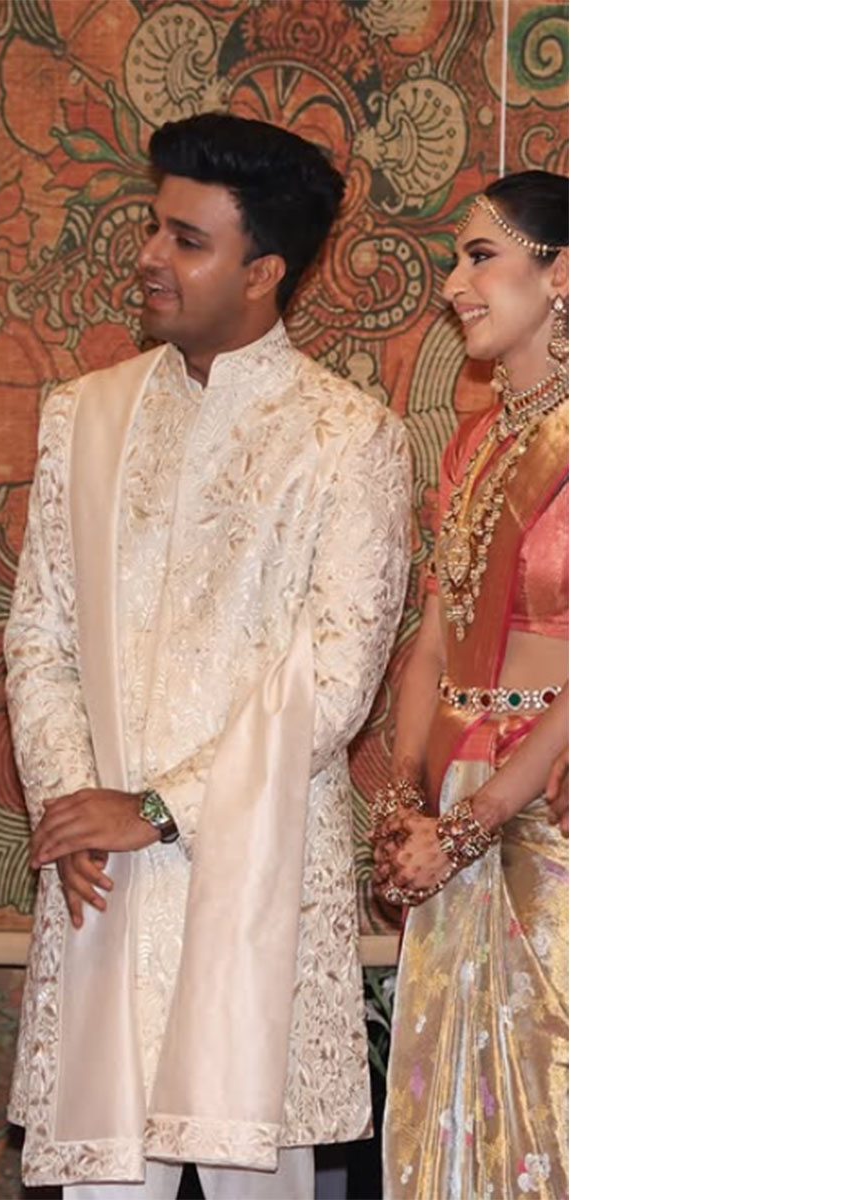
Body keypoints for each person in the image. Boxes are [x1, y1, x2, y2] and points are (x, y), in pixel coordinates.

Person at [4, 113, 413, 1198]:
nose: (148, 256)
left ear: (262, 272)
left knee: (250, 1172)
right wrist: (72, 804)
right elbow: (36, 634)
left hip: (255, 868)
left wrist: (156, 806)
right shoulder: (80, 417)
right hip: (101, 881)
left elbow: (335, 676)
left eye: (186, 239)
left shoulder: (347, 435)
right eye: (154, 228)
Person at [370, 170, 569, 1199]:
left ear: (563, 274)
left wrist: (478, 818)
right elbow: (434, 642)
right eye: (458, 257)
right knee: (455, 1117)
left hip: (558, 822)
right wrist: (405, 800)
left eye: (480, 255)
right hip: (458, 820)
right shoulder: (470, 442)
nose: (453, 282)